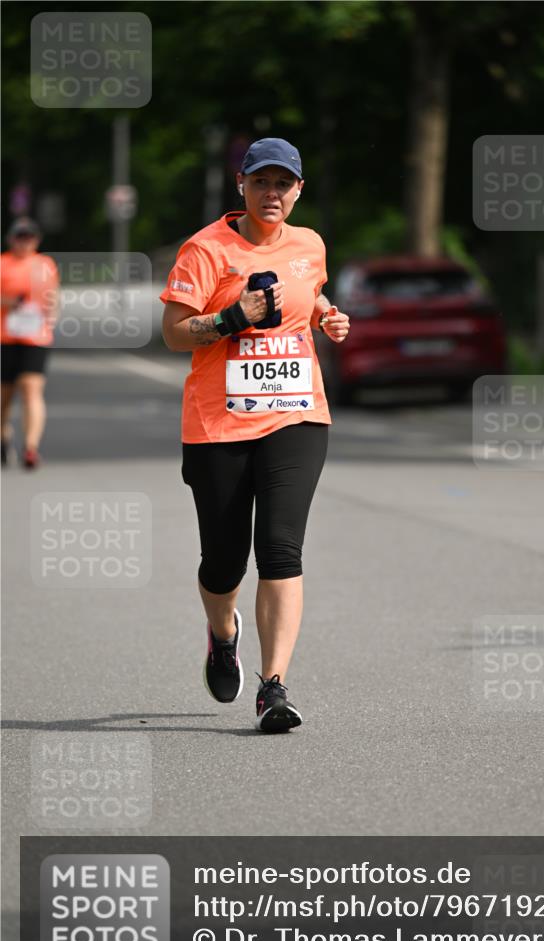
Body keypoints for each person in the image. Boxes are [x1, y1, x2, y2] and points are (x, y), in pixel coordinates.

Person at [160, 137, 350, 733]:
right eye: (262, 182)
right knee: (223, 562)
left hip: (295, 415)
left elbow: (308, 288)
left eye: (284, 184)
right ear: (241, 184)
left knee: (281, 548)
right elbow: (173, 331)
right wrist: (231, 318)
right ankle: (222, 634)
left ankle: (274, 687)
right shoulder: (205, 249)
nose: (273, 194)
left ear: (298, 190)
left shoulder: (310, 243)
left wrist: (325, 313)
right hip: (218, 423)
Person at [1, 217, 59, 468]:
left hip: (36, 336)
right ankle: (4, 437)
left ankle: (31, 447)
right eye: (20, 237)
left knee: (31, 389)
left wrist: (53, 313)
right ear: (11, 239)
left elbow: (53, 295)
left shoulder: (45, 264)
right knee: (5, 395)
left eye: (30, 237)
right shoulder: (3, 263)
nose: (25, 242)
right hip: (5, 337)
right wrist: (9, 302)